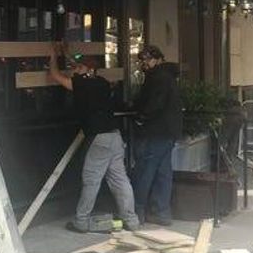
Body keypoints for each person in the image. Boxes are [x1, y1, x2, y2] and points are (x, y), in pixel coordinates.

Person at [48, 43, 140, 232]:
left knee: (91, 179)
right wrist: (66, 53)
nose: (75, 70)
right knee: (120, 180)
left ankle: (81, 221)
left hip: (100, 139)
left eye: (79, 68)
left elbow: (56, 76)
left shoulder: (82, 84)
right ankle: (131, 220)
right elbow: (78, 67)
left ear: (88, 70)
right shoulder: (102, 83)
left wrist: (52, 57)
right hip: (115, 136)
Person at [130, 45, 182, 227]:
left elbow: (154, 104)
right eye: (143, 60)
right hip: (168, 131)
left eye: (147, 59)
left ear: (158, 59)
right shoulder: (169, 76)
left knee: (145, 169)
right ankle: (161, 211)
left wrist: (141, 117)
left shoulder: (158, 78)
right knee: (163, 172)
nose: (145, 63)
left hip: (155, 130)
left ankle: (137, 210)